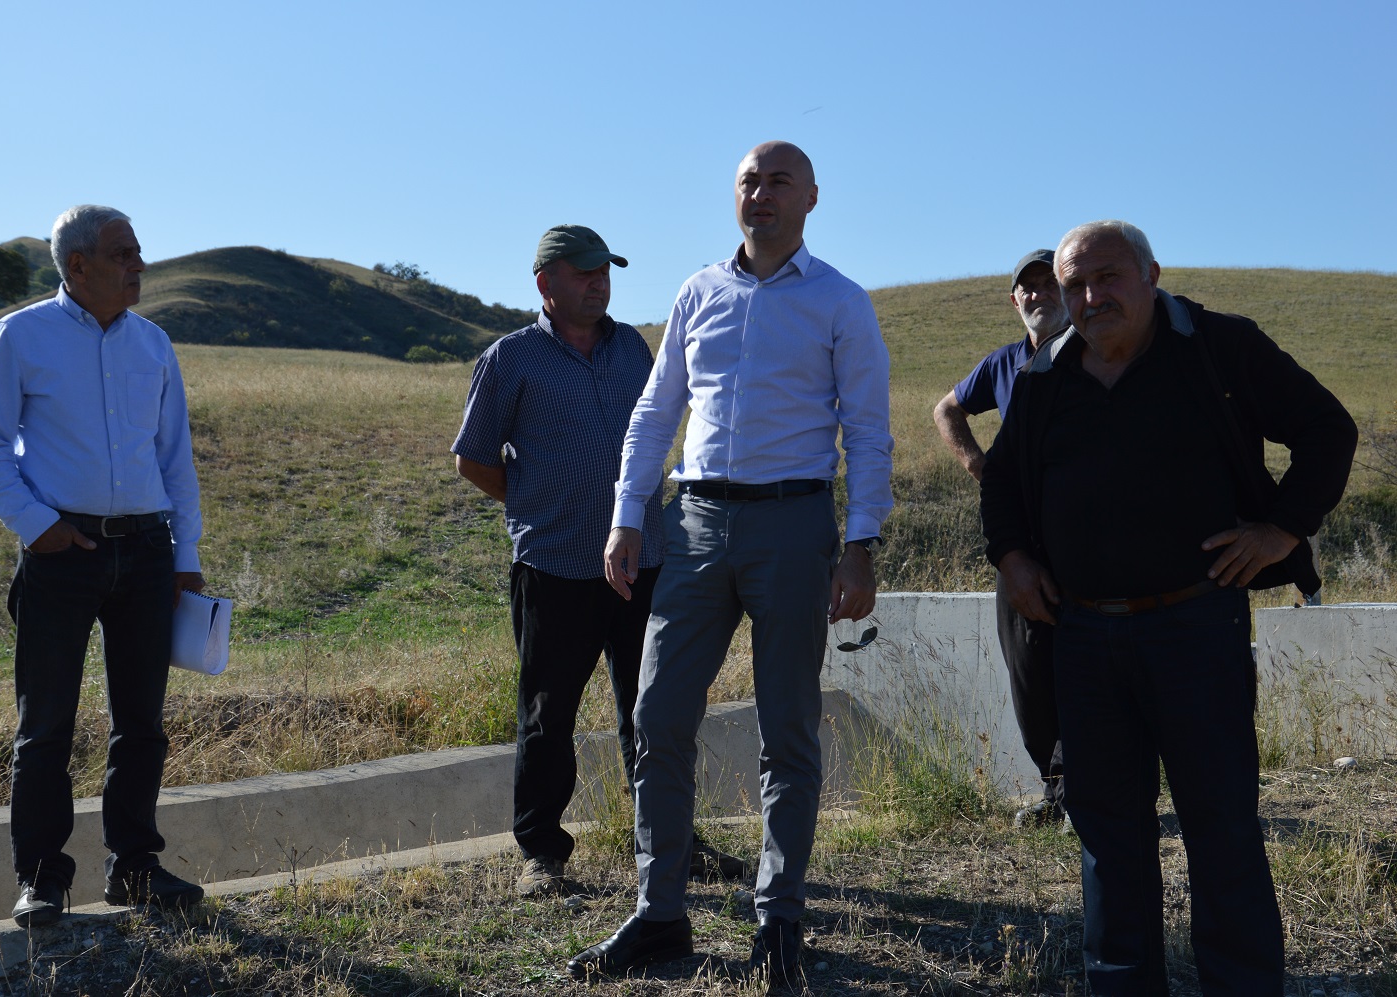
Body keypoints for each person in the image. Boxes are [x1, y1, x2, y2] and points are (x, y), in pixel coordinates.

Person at [980, 219, 1357, 994]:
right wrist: (1013, 558)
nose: (1091, 297)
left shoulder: (1219, 347)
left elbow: (1328, 429)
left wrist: (1282, 529)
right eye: (1075, 285)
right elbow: (1003, 485)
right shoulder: (1046, 374)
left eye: (1108, 277)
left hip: (1196, 627)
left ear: (1152, 275)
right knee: (1107, 839)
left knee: (1222, 828)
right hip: (1083, 636)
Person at [566, 141, 894, 985]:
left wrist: (860, 546)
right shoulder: (698, 291)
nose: (761, 193)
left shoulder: (840, 301)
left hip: (794, 523)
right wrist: (626, 516)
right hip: (696, 524)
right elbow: (657, 410)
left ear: (811, 197)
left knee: (787, 725)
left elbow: (867, 430)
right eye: (749, 180)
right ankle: (659, 913)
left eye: (779, 181)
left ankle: (779, 917)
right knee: (658, 713)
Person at [453, 225, 741, 898]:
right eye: (583, 272)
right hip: (555, 565)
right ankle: (542, 854)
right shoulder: (510, 359)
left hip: (644, 559)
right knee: (548, 714)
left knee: (654, 708)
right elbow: (472, 458)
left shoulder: (632, 347)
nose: (598, 283)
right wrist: (534, 501)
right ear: (545, 283)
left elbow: (660, 426)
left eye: (604, 271)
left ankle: (670, 841)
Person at [0, 205, 209, 927]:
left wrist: (185, 555)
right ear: (78, 265)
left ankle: (135, 868)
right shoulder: (22, 335)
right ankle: (41, 879)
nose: (139, 266)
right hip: (61, 554)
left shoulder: (154, 343)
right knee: (45, 725)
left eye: (137, 252)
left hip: (147, 553)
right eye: (123, 253)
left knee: (142, 722)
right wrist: (38, 527)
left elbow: (175, 457)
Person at [933, 248, 1070, 828]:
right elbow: (946, 409)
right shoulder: (1004, 364)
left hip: (1082, 540)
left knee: (1085, 666)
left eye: (1049, 284)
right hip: (1016, 542)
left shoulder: (1091, 354)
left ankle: (1087, 791)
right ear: (1014, 301)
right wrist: (978, 466)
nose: (1039, 295)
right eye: (1028, 288)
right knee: (1028, 668)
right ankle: (1056, 791)